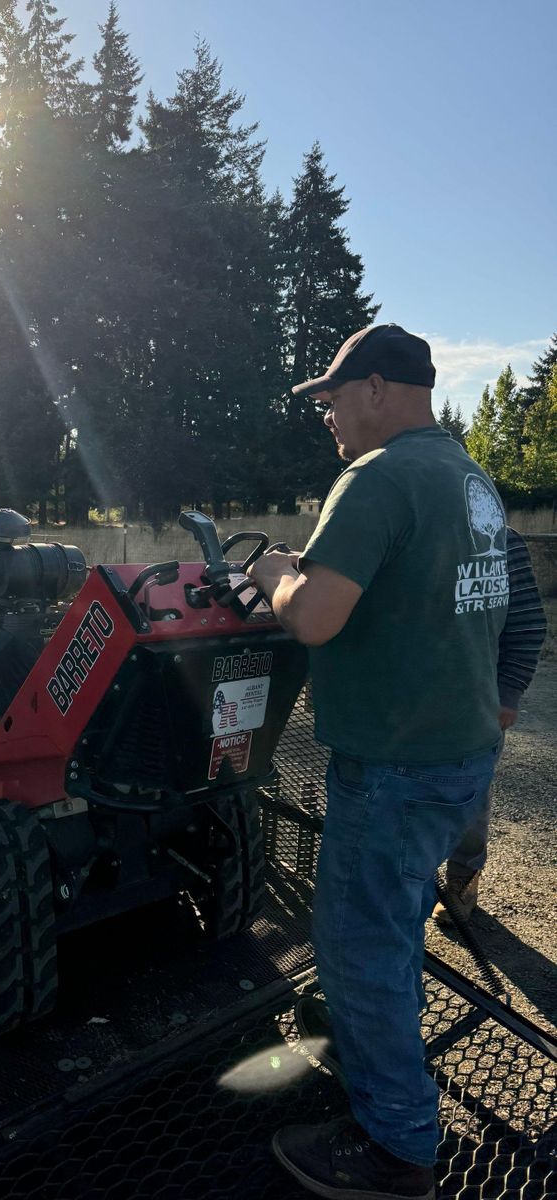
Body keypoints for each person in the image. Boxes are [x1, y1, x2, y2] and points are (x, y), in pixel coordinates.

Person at [249, 324, 507, 1200]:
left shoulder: (376, 477)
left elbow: (315, 616)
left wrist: (279, 573)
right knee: (388, 933)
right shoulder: (469, 478)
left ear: (378, 388)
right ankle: (370, 1060)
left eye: (332, 396)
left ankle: (397, 1153)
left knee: (359, 947)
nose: (325, 414)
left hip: (395, 765)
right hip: (460, 752)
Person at [431, 526, 546, 923]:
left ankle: (462, 881)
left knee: (469, 798)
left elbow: (528, 622)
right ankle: (412, 886)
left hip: (473, 705)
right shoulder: (396, 526)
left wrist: (508, 692)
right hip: (405, 706)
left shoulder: (499, 538)